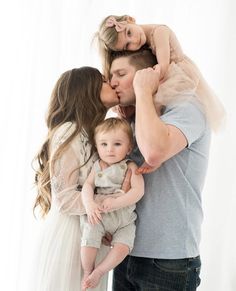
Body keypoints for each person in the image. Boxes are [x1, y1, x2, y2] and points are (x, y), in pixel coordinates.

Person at [103, 47, 213, 290]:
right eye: (111, 76)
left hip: (168, 261)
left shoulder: (187, 106)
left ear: (147, 74)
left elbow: (154, 152)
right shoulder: (132, 117)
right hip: (126, 253)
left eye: (121, 74)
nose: (113, 82)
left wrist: (143, 89)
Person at [31, 67, 122, 291]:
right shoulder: (68, 131)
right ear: (87, 90)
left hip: (90, 233)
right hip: (70, 237)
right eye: (103, 80)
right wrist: (113, 206)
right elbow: (65, 197)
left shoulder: (95, 134)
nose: (111, 82)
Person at [95, 14, 225, 131]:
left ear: (130, 19)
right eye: (127, 46)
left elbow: (163, 66)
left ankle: (156, 131)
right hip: (162, 70)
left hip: (171, 70)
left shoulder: (159, 32)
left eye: (129, 33)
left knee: (155, 102)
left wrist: (145, 82)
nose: (134, 42)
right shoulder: (139, 41)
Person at [80, 117, 144, 290]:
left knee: (123, 247)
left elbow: (138, 191)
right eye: (103, 144)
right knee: (89, 238)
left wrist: (116, 202)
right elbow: (87, 186)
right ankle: (88, 270)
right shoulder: (97, 166)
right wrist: (89, 204)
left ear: (129, 147)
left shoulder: (131, 166)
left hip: (124, 220)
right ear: (97, 146)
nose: (110, 150)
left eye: (117, 144)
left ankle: (100, 271)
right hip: (100, 215)